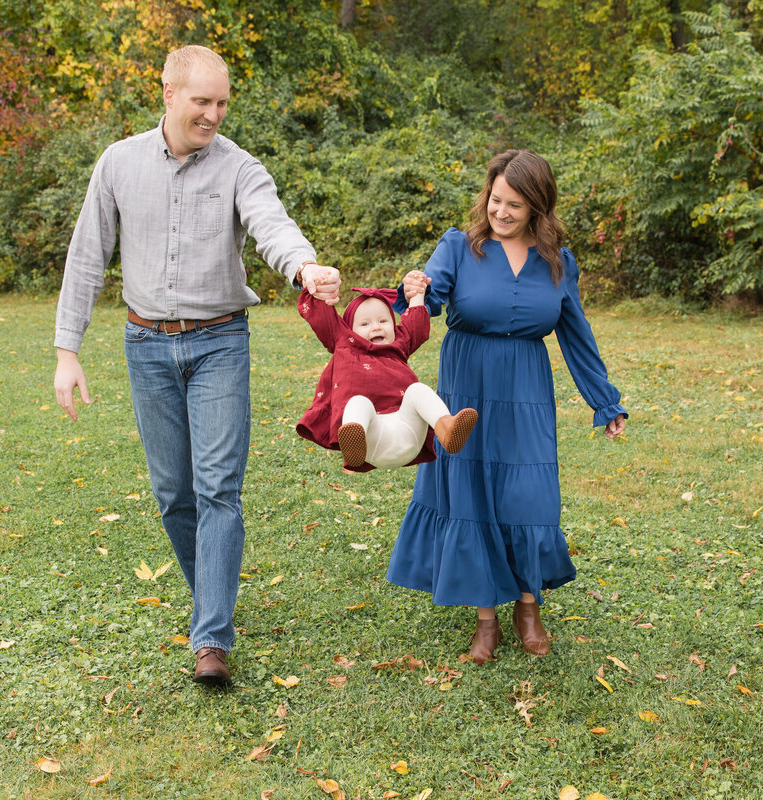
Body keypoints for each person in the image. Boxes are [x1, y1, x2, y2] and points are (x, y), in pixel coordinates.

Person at [52, 45, 341, 689]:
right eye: (201, 101)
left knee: (217, 489)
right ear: (168, 93)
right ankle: (214, 595)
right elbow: (87, 256)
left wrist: (304, 266)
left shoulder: (240, 168)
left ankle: (210, 635)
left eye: (221, 104)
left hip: (219, 344)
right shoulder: (119, 163)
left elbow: (272, 224)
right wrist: (67, 349)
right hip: (146, 347)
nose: (212, 115)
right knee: (173, 494)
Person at [385, 149, 627, 665]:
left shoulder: (557, 261)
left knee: (528, 496)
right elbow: (424, 306)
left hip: (526, 390)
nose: (501, 212)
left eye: (514, 204)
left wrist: (606, 402)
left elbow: (576, 337)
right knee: (472, 495)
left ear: (538, 206)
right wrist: (413, 294)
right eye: (495, 200)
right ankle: (485, 621)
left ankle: (528, 608)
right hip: (465, 387)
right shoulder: (458, 247)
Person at [295, 283, 478, 471]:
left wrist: (416, 295)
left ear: (393, 324)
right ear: (349, 330)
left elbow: (415, 324)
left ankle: (446, 428)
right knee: (358, 402)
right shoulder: (344, 342)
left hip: (408, 432)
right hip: (372, 437)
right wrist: (318, 286)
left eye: (383, 321)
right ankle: (354, 440)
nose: (376, 328)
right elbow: (321, 317)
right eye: (365, 324)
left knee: (418, 390)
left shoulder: (398, 344)